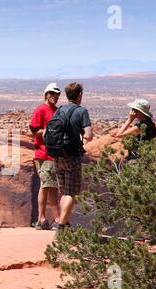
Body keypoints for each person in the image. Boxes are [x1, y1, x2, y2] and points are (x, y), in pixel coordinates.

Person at [51, 83, 93, 231]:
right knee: (71, 193)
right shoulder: (82, 111)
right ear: (80, 95)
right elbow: (88, 136)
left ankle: (64, 221)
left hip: (57, 154)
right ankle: (61, 225)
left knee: (64, 192)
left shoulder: (60, 110)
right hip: (72, 156)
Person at [29, 83, 61, 230]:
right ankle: (51, 219)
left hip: (55, 154)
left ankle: (46, 219)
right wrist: (49, 130)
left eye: (57, 94)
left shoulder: (57, 111)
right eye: (52, 93)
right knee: (48, 185)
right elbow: (34, 131)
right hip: (43, 154)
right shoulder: (40, 110)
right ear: (46, 94)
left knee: (51, 186)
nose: (55, 96)